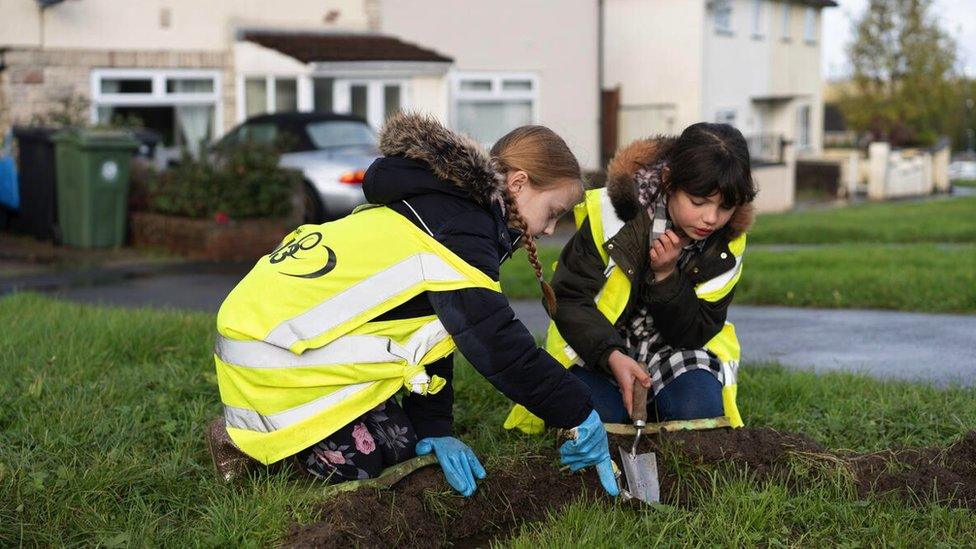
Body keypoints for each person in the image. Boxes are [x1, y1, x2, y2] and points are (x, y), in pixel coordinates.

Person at [207, 112, 619, 497]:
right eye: (553, 212)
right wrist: (578, 411)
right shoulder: (461, 228)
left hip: (279, 340)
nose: (549, 229)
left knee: (404, 443)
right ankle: (247, 443)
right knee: (366, 462)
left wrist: (433, 427)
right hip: (269, 357)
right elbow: (497, 345)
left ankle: (287, 429)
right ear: (518, 184)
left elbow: (433, 331)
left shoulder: (444, 205)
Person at [505, 123, 756, 433]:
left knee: (697, 413)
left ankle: (658, 409)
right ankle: (633, 409)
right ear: (668, 180)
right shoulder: (611, 214)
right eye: (699, 202)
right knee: (595, 417)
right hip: (598, 347)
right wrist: (611, 355)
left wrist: (666, 277)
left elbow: (695, 332)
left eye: (726, 207)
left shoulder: (726, 244)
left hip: (677, 349)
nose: (711, 218)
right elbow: (567, 299)